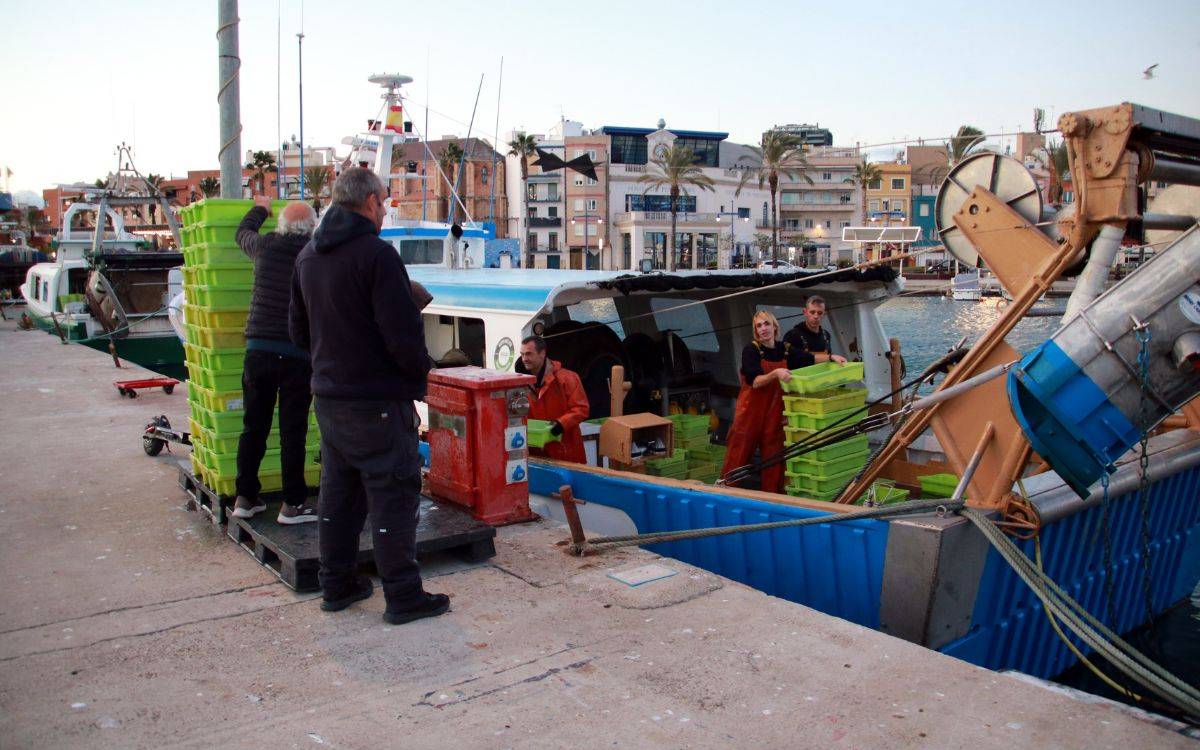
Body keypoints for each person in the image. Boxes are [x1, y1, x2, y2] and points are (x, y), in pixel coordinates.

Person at [289, 167, 448, 625]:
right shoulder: (377, 257)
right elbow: (402, 338)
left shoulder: (308, 257)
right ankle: (403, 595)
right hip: (378, 402)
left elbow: (298, 333)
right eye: (384, 201)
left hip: (330, 400)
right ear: (370, 203)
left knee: (339, 499)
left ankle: (336, 585)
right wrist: (421, 376)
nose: (385, 209)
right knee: (394, 497)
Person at [231, 197, 318, 525]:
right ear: (312, 227)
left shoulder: (264, 246)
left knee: (254, 426)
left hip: (259, 350)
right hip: (297, 353)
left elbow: (242, 232)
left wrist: (261, 209)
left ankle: (245, 498)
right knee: (292, 431)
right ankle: (292, 505)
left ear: (281, 225)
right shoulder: (314, 254)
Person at [721, 310, 846, 494]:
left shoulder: (784, 349)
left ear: (774, 327)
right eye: (759, 326)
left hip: (774, 412)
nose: (763, 329)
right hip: (750, 412)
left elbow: (808, 357)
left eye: (766, 324)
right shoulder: (752, 350)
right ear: (756, 331)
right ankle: (725, 489)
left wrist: (831, 357)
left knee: (775, 454)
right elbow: (754, 381)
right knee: (738, 450)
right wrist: (775, 374)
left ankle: (772, 494)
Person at [515, 335, 589, 464]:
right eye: (522, 354)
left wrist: (560, 424)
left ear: (542, 353)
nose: (524, 359)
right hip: (535, 455)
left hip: (566, 454)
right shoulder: (519, 382)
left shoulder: (568, 378)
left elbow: (582, 409)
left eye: (529, 354)